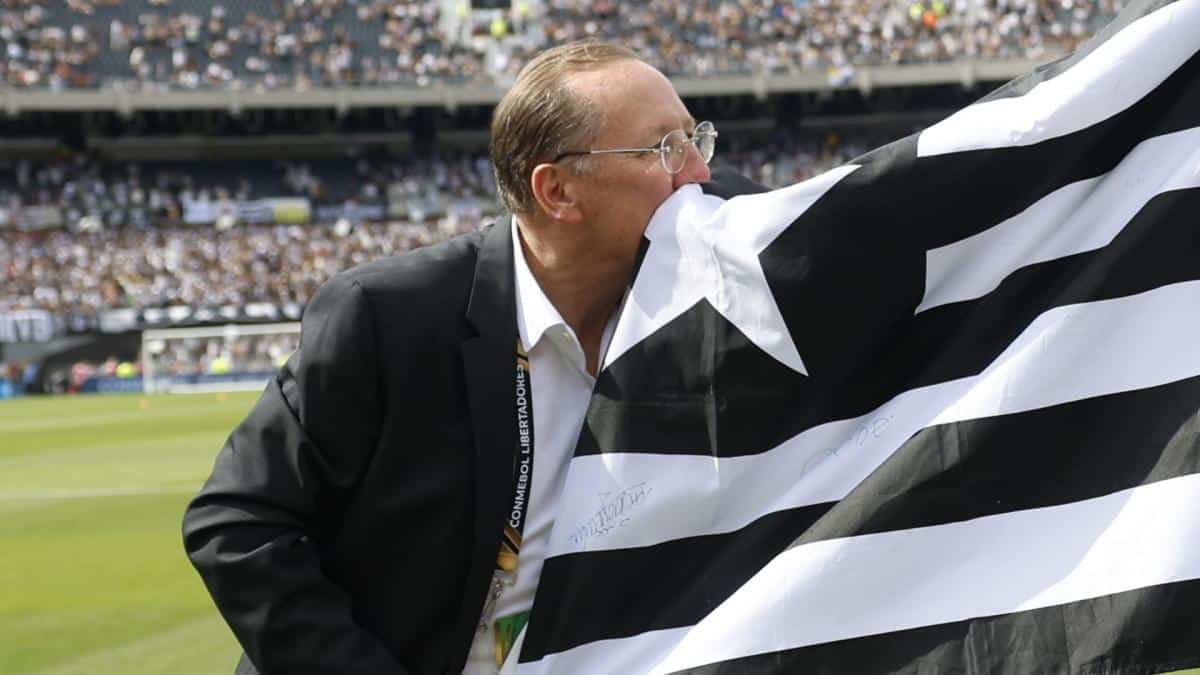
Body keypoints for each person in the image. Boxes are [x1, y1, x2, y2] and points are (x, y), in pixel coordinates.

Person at [182, 40, 721, 674]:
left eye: (697, 139)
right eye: (664, 148)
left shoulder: (695, 302)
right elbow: (237, 522)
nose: (698, 174)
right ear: (558, 191)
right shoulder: (389, 317)